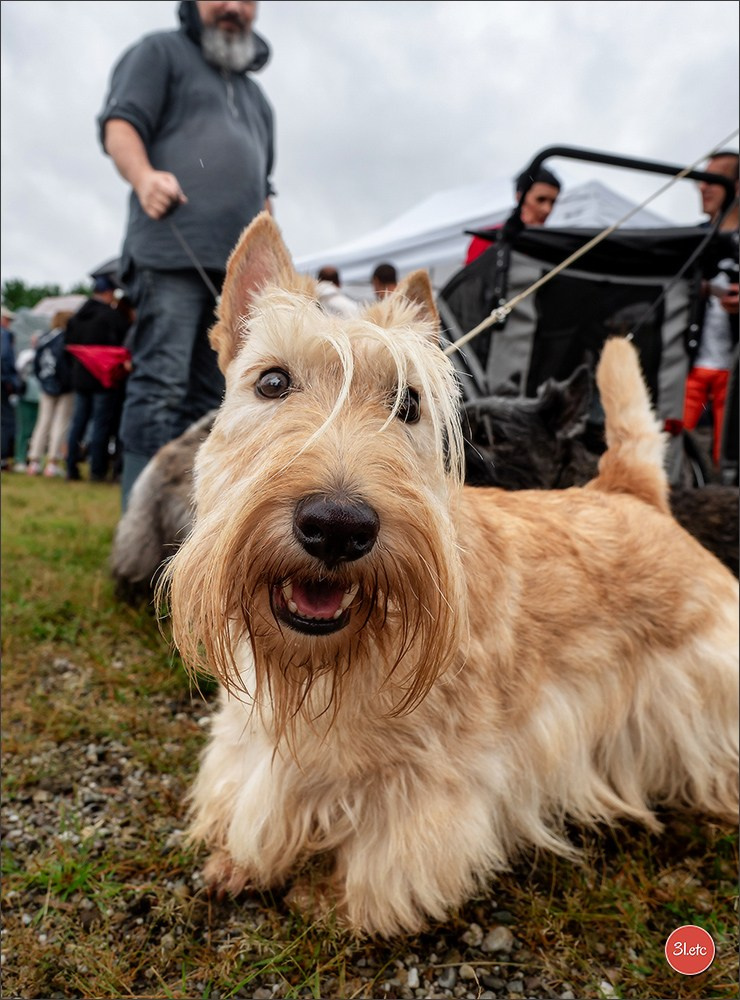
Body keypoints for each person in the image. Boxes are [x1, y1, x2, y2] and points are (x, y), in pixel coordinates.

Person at [98, 0, 275, 507]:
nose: (233, 7)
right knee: (160, 384)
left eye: (246, 0)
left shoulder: (258, 98)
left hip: (237, 279)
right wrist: (144, 176)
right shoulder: (159, 53)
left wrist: (271, 264)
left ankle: (191, 527)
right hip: (170, 252)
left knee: (215, 398)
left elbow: (264, 188)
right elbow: (120, 125)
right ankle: (141, 524)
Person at [682, 151, 739, 468]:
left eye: (714, 181)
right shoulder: (693, 239)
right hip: (692, 363)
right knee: (674, 443)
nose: (703, 188)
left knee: (729, 457)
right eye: (701, 182)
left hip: (734, 371)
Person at [65, 277, 131, 482]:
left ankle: (71, 467)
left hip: (80, 377)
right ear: (109, 293)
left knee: (78, 422)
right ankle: (97, 469)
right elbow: (125, 345)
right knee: (100, 424)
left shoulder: (76, 317)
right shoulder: (112, 317)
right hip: (104, 377)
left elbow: (67, 348)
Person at [465, 166, 562, 265]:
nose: (547, 209)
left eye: (553, 202)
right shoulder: (488, 238)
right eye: (540, 200)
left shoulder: (552, 243)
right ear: (519, 197)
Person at [26, 310, 76, 477]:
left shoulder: (45, 338)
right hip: (64, 387)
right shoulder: (67, 338)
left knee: (43, 422)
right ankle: (52, 462)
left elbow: (36, 363)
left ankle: (34, 461)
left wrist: (43, 381)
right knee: (60, 424)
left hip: (46, 384)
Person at [13, 334, 41, 472]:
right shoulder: (27, 355)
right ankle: (21, 458)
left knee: (36, 430)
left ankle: (31, 460)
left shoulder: (29, 355)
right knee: (26, 429)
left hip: (38, 397)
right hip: (27, 396)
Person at [1, 306, 22, 471]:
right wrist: (10, 381)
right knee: (6, 421)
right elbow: (4, 357)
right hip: (2, 383)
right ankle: (3, 458)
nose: (9, 323)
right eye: (7, 319)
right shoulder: (4, 335)